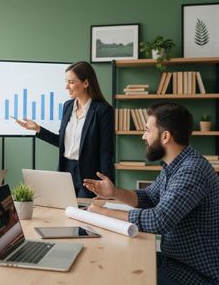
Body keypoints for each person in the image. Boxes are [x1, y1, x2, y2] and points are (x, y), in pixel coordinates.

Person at [84, 102, 219, 285]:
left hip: (194, 274)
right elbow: (150, 198)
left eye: (147, 130)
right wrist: (114, 192)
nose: (143, 136)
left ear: (165, 136)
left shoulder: (191, 171)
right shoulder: (174, 165)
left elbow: (158, 220)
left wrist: (103, 213)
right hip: (173, 260)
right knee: (113, 262)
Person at [17, 61, 114, 197]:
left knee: (83, 215)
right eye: (66, 81)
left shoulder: (103, 110)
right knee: (64, 213)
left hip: (89, 176)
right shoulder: (67, 106)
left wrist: (108, 184)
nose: (66, 86)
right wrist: (38, 129)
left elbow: (106, 151)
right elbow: (63, 142)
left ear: (85, 83)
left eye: (71, 82)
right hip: (65, 171)